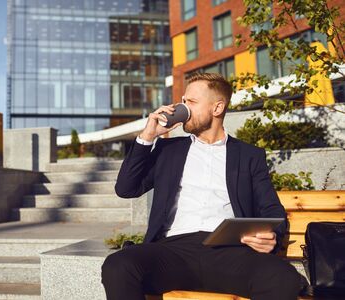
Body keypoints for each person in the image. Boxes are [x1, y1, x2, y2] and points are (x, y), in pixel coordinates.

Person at [101, 73, 301, 300]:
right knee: (118, 265)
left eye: (191, 103)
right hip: (174, 251)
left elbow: (272, 210)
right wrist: (148, 136)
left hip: (230, 253)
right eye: (183, 101)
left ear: (217, 108)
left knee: (283, 277)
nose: (182, 107)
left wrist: (270, 236)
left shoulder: (248, 156)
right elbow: (126, 188)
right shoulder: (169, 150)